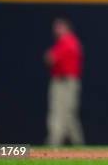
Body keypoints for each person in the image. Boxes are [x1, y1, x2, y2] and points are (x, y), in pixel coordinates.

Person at [44, 17, 85, 146]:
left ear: (66, 28)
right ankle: (56, 143)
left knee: (66, 113)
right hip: (60, 80)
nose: (55, 30)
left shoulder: (68, 41)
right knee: (61, 113)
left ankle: (60, 143)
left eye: (59, 26)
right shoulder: (62, 43)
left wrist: (50, 57)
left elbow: (50, 58)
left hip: (67, 82)